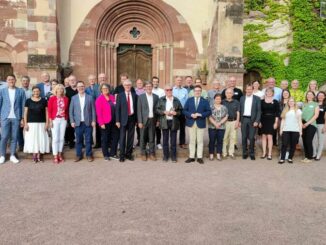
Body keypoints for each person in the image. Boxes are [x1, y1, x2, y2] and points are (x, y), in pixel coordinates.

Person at [0, 75, 26, 164]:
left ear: (15, 80)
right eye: (9, 79)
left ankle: (12, 155)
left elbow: (23, 105)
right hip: (5, 117)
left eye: (12, 79)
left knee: (14, 137)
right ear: (7, 81)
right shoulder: (2, 91)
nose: (11, 81)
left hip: (16, 117)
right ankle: (2, 155)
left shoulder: (20, 91)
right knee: (4, 137)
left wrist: (22, 118)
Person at [183, 85, 211, 164]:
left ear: (201, 92)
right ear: (193, 92)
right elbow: (184, 110)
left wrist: (201, 114)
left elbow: (209, 112)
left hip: (200, 122)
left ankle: (199, 157)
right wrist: (190, 114)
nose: (197, 92)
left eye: (199, 91)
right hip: (191, 122)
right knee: (192, 140)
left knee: (200, 141)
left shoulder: (204, 101)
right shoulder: (189, 100)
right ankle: (191, 157)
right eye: (196, 91)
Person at [69, 81, 96, 162]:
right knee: (78, 140)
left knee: (88, 140)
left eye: (82, 86)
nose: (81, 88)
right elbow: (71, 111)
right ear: (77, 88)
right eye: (79, 86)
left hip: (88, 122)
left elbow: (93, 110)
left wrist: (94, 120)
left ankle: (89, 155)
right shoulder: (73, 98)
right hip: (78, 123)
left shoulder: (90, 97)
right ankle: (78, 155)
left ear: (84, 87)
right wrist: (72, 121)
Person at [155, 85, 183, 162]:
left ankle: (173, 156)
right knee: (165, 140)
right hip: (165, 121)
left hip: (174, 122)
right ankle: (166, 156)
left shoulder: (176, 100)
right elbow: (157, 110)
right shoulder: (161, 99)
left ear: (172, 90)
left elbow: (181, 111)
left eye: (170, 90)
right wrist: (164, 112)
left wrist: (176, 113)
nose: (169, 91)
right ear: (165, 91)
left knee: (173, 141)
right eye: (167, 90)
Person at [23, 86, 50, 163]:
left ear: (40, 92)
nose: (36, 93)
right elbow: (25, 113)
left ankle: (39, 155)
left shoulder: (44, 100)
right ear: (32, 92)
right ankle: (34, 156)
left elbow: (47, 112)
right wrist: (25, 123)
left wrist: (47, 123)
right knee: (32, 139)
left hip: (42, 123)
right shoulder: (28, 101)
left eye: (37, 91)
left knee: (40, 139)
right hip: (31, 123)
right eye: (34, 91)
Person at [116, 79, 138, 162]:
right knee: (122, 137)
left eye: (129, 85)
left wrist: (136, 120)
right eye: (126, 85)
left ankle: (128, 154)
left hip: (132, 118)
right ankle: (122, 155)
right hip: (122, 120)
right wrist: (117, 121)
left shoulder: (134, 95)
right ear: (123, 86)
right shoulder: (120, 95)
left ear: (131, 86)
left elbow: (136, 108)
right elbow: (117, 109)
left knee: (130, 137)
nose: (127, 86)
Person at [137, 82, 159, 161]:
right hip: (143, 121)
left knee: (152, 137)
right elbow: (139, 110)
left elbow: (157, 110)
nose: (149, 88)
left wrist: (158, 120)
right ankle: (143, 153)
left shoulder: (156, 97)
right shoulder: (141, 97)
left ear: (152, 87)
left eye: (150, 86)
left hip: (153, 120)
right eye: (147, 86)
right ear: (144, 88)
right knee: (142, 138)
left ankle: (152, 153)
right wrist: (139, 121)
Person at [95, 83, 117, 161]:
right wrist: (101, 123)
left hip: (114, 121)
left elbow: (116, 107)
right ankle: (106, 154)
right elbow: (98, 113)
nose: (105, 90)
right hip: (105, 122)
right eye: (103, 89)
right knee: (105, 138)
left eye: (106, 88)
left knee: (115, 137)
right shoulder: (99, 99)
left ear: (109, 89)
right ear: (101, 90)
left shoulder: (112, 97)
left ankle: (112, 153)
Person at [48, 84, 69, 163]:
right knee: (55, 138)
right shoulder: (52, 98)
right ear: (56, 90)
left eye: (61, 89)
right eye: (58, 89)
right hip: (55, 119)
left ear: (63, 90)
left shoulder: (66, 99)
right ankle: (55, 155)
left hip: (63, 119)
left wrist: (66, 119)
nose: (60, 90)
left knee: (61, 138)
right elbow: (49, 110)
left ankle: (60, 154)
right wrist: (50, 121)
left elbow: (66, 110)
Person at [239, 84, 261, 160]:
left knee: (252, 137)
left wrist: (257, 121)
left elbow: (259, 111)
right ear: (245, 90)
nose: (248, 90)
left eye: (250, 89)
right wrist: (239, 121)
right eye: (247, 89)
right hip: (244, 119)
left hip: (253, 120)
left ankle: (252, 153)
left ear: (252, 90)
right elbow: (240, 110)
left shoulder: (257, 99)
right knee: (244, 137)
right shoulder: (242, 98)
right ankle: (244, 153)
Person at [279, 97, 302, 164]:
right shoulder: (285, 110)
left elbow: (300, 121)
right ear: (288, 103)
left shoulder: (298, 111)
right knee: (284, 144)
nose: (291, 102)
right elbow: (283, 120)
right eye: (289, 101)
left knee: (293, 145)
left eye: (292, 101)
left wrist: (300, 131)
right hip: (286, 130)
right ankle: (282, 158)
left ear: (294, 102)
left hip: (295, 130)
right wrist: (281, 129)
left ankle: (290, 158)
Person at [259, 88, 280, 160]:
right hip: (263, 120)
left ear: (273, 93)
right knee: (263, 137)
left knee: (270, 137)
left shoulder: (276, 102)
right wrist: (259, 121)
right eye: (267, 91)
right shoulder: (261, 101)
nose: (269, 93)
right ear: (266, 92)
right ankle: (264, 153)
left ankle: (269, 154)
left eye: (271, 92)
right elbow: (259, 112)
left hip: (272, 120)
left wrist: (276, 122)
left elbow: (277, 113)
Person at [208, 94, 228, 161]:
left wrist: (220, 123)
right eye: (216, 99)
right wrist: (215, 124)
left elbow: (226, 116)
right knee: (212, 141)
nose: (218, 100)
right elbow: (209, 116)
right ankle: (211, 154)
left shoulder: (224, 107)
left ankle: (218, 154)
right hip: (212, 127)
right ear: (214, 99)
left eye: (219, 99)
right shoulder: (210, 107)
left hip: (221, 127)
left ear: (221, 100)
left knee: (220, 141)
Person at [301, 91, 319, 163]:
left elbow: (316, 115)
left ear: (313, 96)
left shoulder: (315, 104)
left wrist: (307, 123)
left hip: (311, 124)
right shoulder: (304, 104)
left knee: (308, 141)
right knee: (304, 141)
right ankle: (306, 156)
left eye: (310, 94)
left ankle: (310, 157)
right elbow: (302, 115)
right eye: (307, 94)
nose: (309, 96)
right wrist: (302, 124)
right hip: (303, 124)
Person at [222, 88, 240, 159]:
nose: (229, 94)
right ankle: (224, 153)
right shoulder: (222, 102)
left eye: (230, 93)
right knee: (224, 138)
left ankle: (231, 153)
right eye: (227, 93)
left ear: (232, 94)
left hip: (233, 121)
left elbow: (238, 112)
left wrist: (237, 122)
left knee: (233, 138)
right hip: (225, 122)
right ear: (225, 94)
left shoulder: (236, 102)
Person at [86, 74, 101, 149]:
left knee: (99, 127)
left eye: (93, 79)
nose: (92, 80)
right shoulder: (86, 89)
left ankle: (99, 143)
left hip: (98, 109)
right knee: (90, 126)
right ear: (88, 81)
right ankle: (91, 141)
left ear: (95, 80)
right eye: (90, 79)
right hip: (90, 110)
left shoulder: (99, 87)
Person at [173, 76, 188, 149]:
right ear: (175, 81)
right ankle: (173, 143)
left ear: (181, 82)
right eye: (177, 80)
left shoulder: (185, 90)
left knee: (182, 127)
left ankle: (182, 142)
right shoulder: (172, 90)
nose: (179, 81)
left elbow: (187, 101)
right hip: (174, 111)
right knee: (174, 127)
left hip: (182, 111)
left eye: (180, 80)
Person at [18, 75, 32, 151]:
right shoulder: (18, 91)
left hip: (29, 113)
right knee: (19, 129)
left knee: (29, 129)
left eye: (26, 81)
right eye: (23, 81)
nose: (25, 82)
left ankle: (29, 145)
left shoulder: (31, 91)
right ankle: (21, 145)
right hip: (20, 112)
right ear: (21, 82)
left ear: (29, 82)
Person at [65, 75, 78, 148]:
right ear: (68, 82)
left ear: (76, 80)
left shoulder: (79, 89)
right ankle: (71, 142)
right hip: (70, 111)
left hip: (79, 111)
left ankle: (80, 142)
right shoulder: (66, 90)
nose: (72, 81)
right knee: (70, 127)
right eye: (70, 80)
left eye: (73, 80)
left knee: (79, 127)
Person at [152, 76, 165, 149]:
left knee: (158, 128)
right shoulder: (149, 89)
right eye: (154, 81)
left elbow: (162, 101)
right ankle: (151, 142)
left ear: (158, 82)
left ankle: (158, 143)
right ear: (152, 82)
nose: (155, 83)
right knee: (151, 129)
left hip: (159, 112)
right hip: (151, 112)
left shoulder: (162, 91)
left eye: (156, 81)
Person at [313, 91, 326, 161]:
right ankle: (314, 153)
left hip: (321, 125)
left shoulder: (325, 105)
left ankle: (318, 155)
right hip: (314, 124)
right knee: (313, 140)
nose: (320, 97)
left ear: (324, 97)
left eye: (322, 96)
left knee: (320, 141)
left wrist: (325, 126)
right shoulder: (314, 104)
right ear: (317, 96)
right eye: (319, 95)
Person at [135, 78, 145, 146]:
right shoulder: (134, 91)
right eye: (138, 83)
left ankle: (144, 140)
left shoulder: (145, 90)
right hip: (136, 111)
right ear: (136, 84)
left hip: (144, 112)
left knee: (144, 127)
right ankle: (139, 140)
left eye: (140, 83)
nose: (139, 84)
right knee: (138, 127)